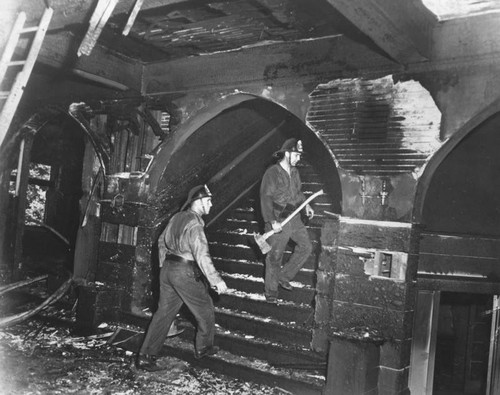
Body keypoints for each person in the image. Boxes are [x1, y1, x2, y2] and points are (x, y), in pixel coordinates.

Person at [135, 184, 228, 371]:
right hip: (183, 271)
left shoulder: (177, 218)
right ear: (199, 202)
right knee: (206, 307)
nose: (211, 205)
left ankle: (145, 356)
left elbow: (161, 242)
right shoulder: (195, 224)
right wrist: (216, 280)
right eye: (208, 201)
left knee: (163, 313)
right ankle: (204, 347)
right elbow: (202, 255)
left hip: (168, 269)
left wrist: (165, 267)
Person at [260, 138, 314, 303]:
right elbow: (265, 197)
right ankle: (271, 292)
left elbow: (298, 192)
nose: (299, 158)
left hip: (295, 218)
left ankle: (284, 276)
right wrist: (271, 220)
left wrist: (306, 205)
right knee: (275, 257)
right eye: (296, 155)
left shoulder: (295, 172)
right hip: (278, 220)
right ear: (287, 154)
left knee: (306, 247)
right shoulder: (272, 173)